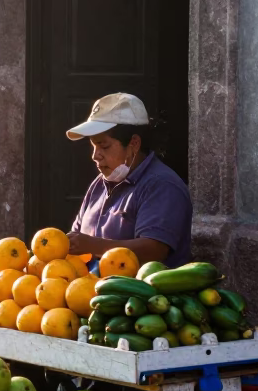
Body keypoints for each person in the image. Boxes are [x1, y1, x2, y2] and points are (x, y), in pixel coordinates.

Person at [64, 93, 193, 269]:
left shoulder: (162, 185)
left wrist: (93, 245)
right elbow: (77, 238)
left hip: (142, 294)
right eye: (93, 146)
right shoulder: (99, 184)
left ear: (134, 143)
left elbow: (155, 250)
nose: (95, 156)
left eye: (104, 146)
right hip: (90, 290)